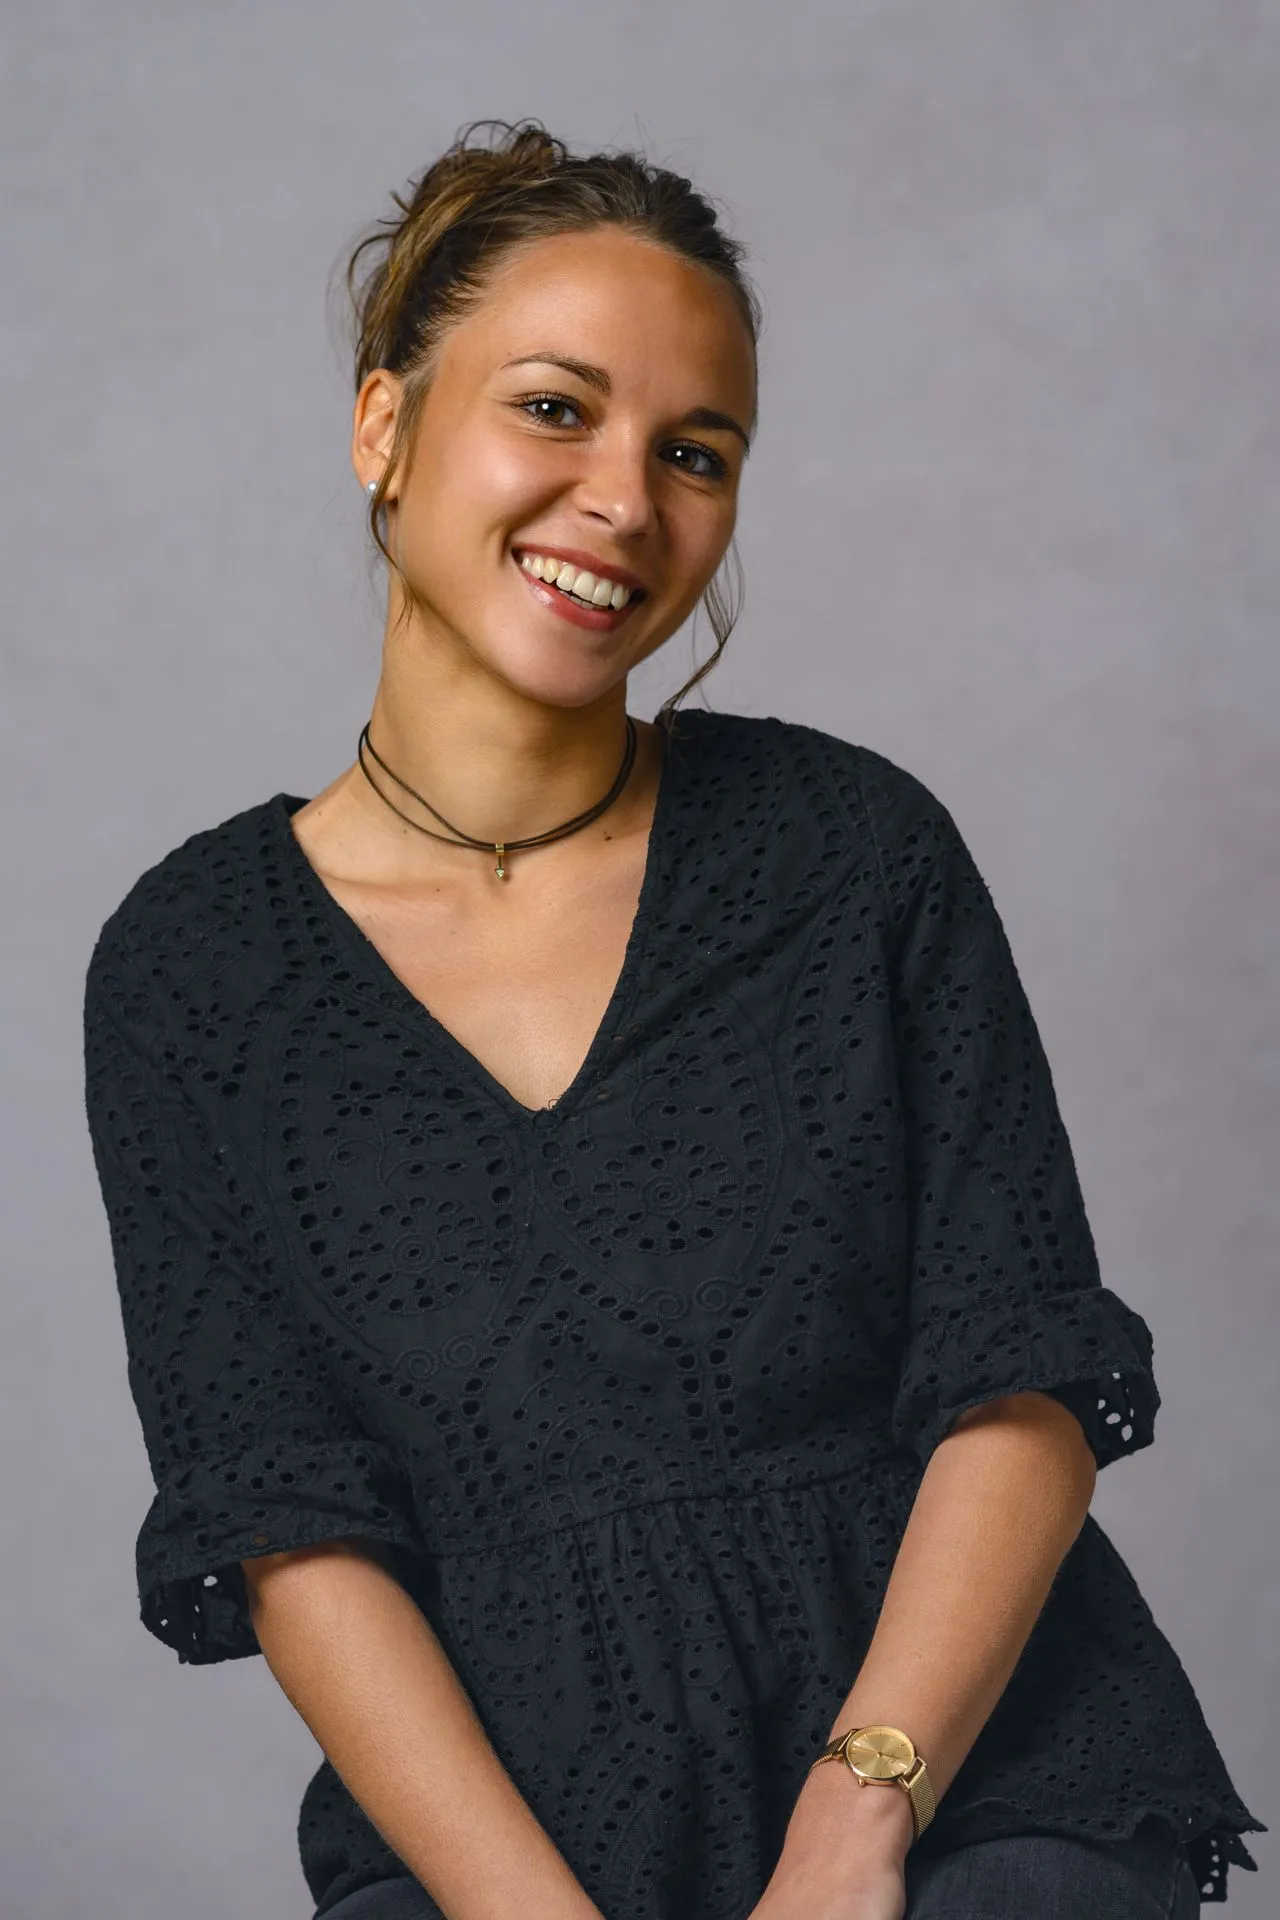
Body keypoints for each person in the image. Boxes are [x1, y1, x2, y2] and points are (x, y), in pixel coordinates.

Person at [83, 118, 1264, 1920]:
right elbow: (290, 1531)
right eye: (555, 408)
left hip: (960, 1782)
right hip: (496, 1838)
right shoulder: (191, 972)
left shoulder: (853, 852)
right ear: (385, 426)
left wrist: (861, 1818)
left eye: (694, 452)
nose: (627, 501)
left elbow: (1018, 1378)